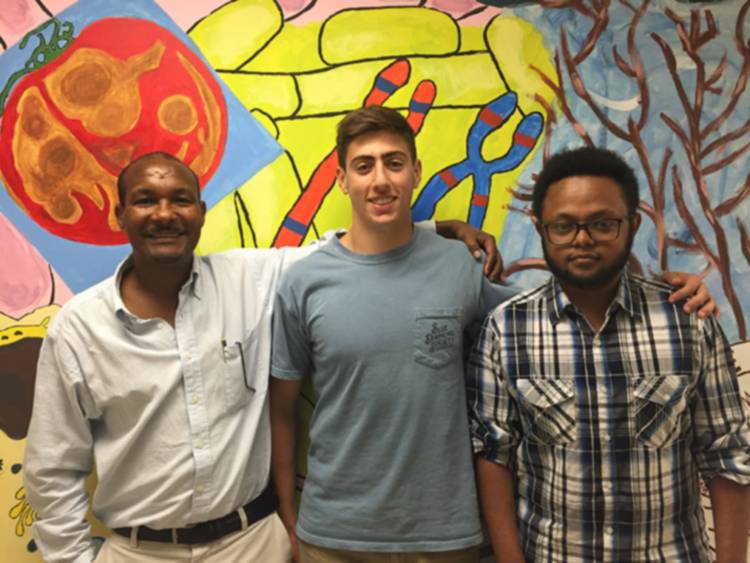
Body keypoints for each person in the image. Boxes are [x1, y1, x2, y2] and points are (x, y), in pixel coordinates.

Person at [268, 109, 715, 563]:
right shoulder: (303, 281)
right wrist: (288, 514)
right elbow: (282, 410)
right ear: (342, 179)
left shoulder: (460, 265)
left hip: (449, 537)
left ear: (416, 171)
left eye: (394, 162)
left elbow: (559, 308)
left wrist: (667, 295)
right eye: (364, 166)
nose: (380, 179)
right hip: (334, 537)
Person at [22, 151, 500, 563]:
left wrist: (438, 228)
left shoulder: (248, 280)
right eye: (146, 199)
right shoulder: (79, 327)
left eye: (181, 200)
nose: (164, 213)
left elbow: (343, 253)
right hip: (138, 550)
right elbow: (53, 468)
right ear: (120, 214)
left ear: (202, 213)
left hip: (253, 543)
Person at [468, 146, 750, 562]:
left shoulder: (688, 321)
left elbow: (726, 452)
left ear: (632, 224)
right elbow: (495, 454)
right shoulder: (507, 329)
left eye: (602, 224)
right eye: (563, 226)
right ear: (541, 227)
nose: (582, 240)